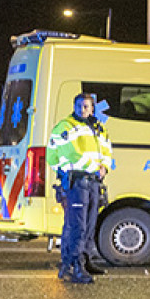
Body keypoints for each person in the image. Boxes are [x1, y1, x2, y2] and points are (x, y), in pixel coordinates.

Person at [48, 93, 113, 284]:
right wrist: (95, 167)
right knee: (76, 226)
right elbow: (72, 154)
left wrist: (105, 167)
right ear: (74, 106)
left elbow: (107, 150)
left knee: (90, 224)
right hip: (77, 181)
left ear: (92, 108)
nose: (82, 109)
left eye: (86, 106)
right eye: (79, 106)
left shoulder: (98, 128)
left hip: (93, 182)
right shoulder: (66, 127)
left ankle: (85, 261)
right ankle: (73, 266)